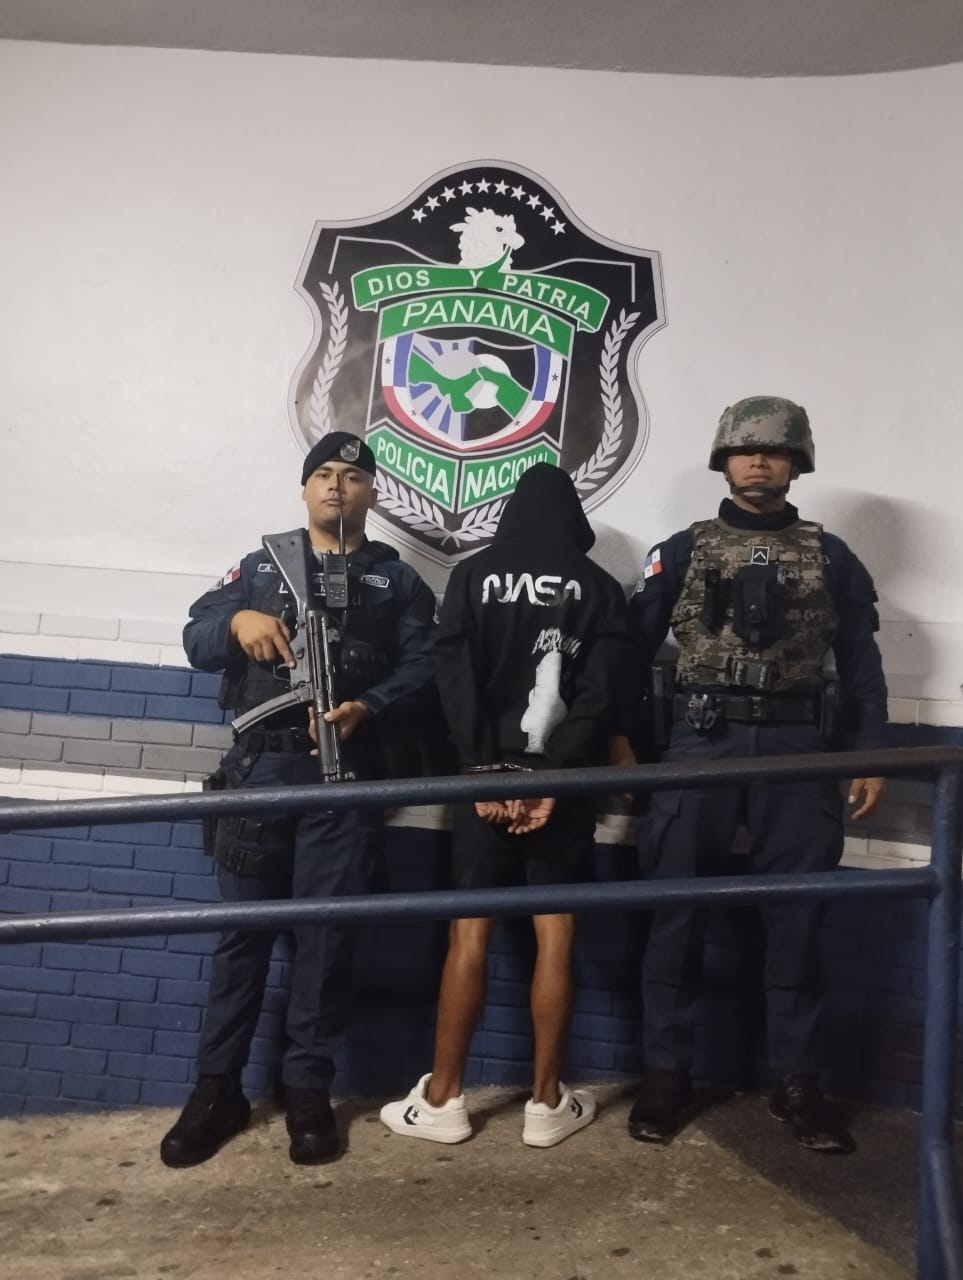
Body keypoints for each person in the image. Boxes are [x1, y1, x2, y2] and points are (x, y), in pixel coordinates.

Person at [160, 432, 436, 1168]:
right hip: (262, 773)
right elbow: (196, 637)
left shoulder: (398, 582)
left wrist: (369, 705)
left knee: (325, 941)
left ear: (372, 493)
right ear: (306, 488)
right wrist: (237, 622)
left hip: (343, 778)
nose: (337, 484)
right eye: (324, 474)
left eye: (353, 476)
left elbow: (425, 666)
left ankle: (307, 1091)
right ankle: (217, 1089)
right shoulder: (259, 567)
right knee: (241, 939)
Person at [627, 396, 887, 1154]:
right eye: (745, 450)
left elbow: (861, 662)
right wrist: (621, 745)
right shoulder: (681, 551)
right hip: (699, 741)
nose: (759, 461)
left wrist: (870, 753)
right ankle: (665, 1076)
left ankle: (799, 1082)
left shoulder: (832, 555)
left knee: (797, 924)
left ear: (796, 463)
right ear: (724, 461)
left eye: (774, 450)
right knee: (675, 917)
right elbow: (627, 648)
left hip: (797, 746)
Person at [380, 463, 636, 1148]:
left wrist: (482, 772)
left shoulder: (471, 576)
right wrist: (551, 778)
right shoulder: (599, 588)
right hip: (563, 788)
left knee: (469, 934)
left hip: (480, 786)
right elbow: (601, 696)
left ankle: (443, 1100)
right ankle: (547, 1105)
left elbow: (451, 681)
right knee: (556, 935)